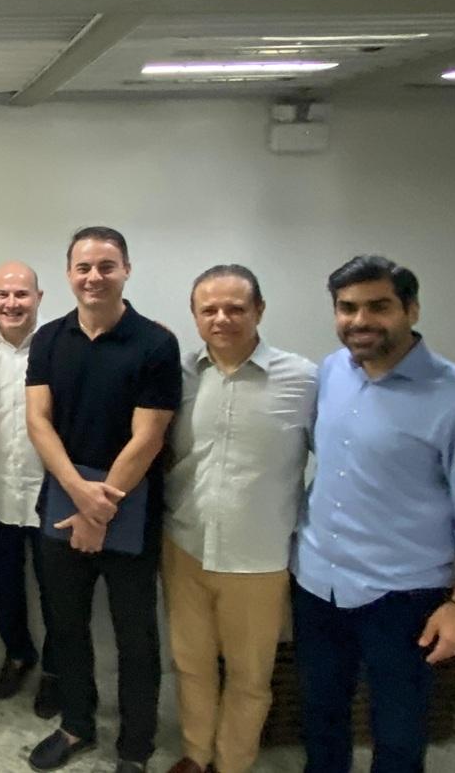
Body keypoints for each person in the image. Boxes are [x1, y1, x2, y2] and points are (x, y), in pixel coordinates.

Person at [291, 255, 455, 773]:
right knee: (320, 716)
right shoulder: (331, 371)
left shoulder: (450, 396)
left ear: (410, 309)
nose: (360, 320)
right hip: (318, 584)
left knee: (399, 732)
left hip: (403, 598)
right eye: (347, 308)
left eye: (378, 306)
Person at [25, 226, 181, 773]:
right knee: (65, 626)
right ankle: (76, 725)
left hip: (130, 499)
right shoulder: (48, 339)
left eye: (106, 266)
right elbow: (38, 423)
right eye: (83, 267)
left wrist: (101, 506)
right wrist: (78, 494)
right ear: (69, 274)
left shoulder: (156, 343)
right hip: (64, 492)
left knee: (135, 635)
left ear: (126, 270)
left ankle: (135, 747)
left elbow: (149, 437)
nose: (94, 277)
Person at [163, 265, 316, 773]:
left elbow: (342, 459)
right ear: (195, 315)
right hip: (185, 545)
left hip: (258, 558)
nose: (222, 318)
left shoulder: (303, 380)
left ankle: (231, 764)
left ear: (259, 311)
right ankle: (195, 753)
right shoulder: (179, 376)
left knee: (250, 678)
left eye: (236, 308)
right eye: (210, 309)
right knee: (191, 665)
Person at [0, 261, 60, 712]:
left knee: (56, 591)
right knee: (4, 584)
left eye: (21, 295)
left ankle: (56, 669)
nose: (12, 303)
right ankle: (18, 654)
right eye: (2, 295)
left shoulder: (60, 345)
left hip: (50, 493)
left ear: (39, 298)